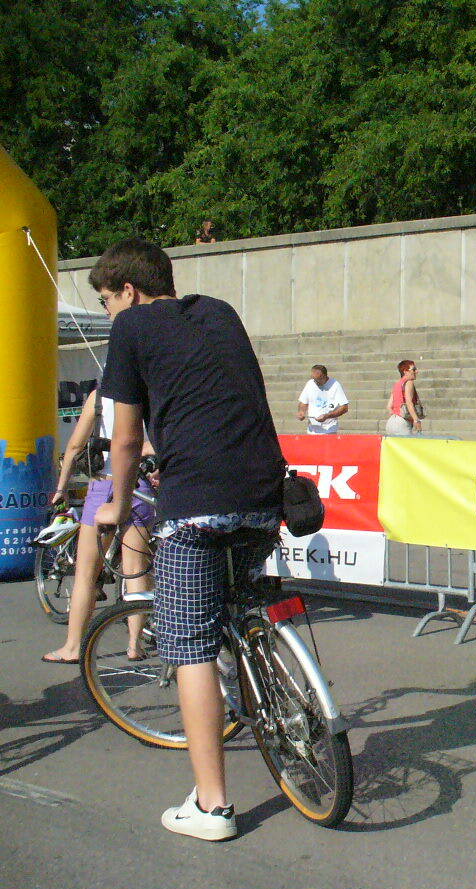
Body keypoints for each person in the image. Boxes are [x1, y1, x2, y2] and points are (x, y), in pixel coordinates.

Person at [92, 238, 286, 842]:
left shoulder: (131, 328)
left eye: (105, 300)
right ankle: (271, 689)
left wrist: (118, 503)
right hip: (266, 492)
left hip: (197, 502)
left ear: (128, 290)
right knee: (241, 605)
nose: (107, 312)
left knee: (190, 646)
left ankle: (213, 806)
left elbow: (126, 438)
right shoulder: (220, 312)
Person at [41, 389, 156, 664]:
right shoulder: (150, 390)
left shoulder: (99, 397)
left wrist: (61, 488)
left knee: (86, 573)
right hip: (139, 485)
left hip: (104, 486)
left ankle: (73, 647)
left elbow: (75, 446)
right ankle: (134, 644)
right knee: (135, 568)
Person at [296, 364, 349, 434]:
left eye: (317, 380)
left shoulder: (335, 385)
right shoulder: (310, 383)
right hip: (312, 430)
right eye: (313, 379)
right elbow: (303, 402)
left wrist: (327, 416)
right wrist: (301, 412)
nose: (315, 382)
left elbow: (344, 407)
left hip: (329, 430)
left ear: (324, 376)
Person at [385, 359, 422, 436]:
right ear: (405, 371)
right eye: (414, 369)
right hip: (402, 423)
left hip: (391, 422)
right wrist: (416, 420)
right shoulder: (409, 382)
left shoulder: (397, 384)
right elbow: (409, 403)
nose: (416, 372)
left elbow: (389, 407)